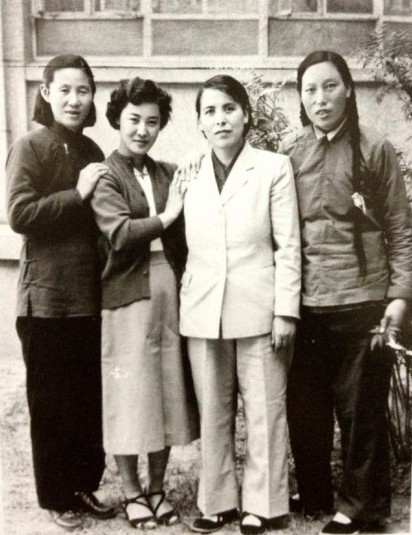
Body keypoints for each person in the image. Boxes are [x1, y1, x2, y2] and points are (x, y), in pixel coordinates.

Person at [280, 50, 412, 535]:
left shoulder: (375, 150)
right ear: (300, 98)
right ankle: (315, 494)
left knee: (361, 412)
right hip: (306, 303)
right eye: (310, 89)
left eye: (330, 86)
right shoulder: (290, 153)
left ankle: (361, 508)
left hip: (364, 300)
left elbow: (400, 227)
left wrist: (399, 296)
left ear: (349, 90)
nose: (320, 98)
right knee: (305, 408)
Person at [179, 74, 301, 535]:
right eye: (209, 111)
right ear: (199, 123)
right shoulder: (187, 172)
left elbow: (288, 245)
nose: (220, 119)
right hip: (203, 309)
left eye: (229, 108)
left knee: (265, 408)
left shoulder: (273, 167)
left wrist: (285, 311)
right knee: (213, 410)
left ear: (246, 115)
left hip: (260, 308)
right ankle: (217, 502)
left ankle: (264, 505)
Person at [6, 54, 115, 531]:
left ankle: (83, 486)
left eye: (83, 90)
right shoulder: (30, 146)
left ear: (92, 97)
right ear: (46, 93)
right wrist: (78, 193)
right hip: (46, 300)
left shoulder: (92, 150)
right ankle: (55, 497)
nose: (74, 99)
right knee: (51, 406)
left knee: (86, 403)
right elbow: (20, 215)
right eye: (65, 90)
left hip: (88, 297)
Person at [90, 77, 199, 530]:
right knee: (129, 393)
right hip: (126, 294)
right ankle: (132, 491)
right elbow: (120, 234)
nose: (142, 130)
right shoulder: (105, 175)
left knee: (167, 389)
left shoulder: (167, 172)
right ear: (117, 120)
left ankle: (157, 487)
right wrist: (168, 215)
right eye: (134, 119)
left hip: (169, 289)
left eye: (152, 122)